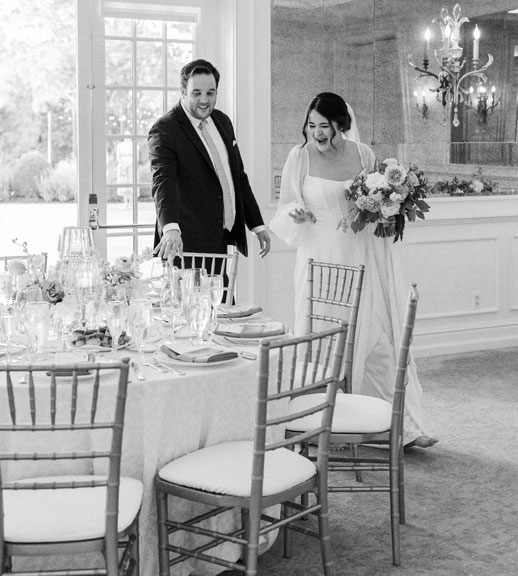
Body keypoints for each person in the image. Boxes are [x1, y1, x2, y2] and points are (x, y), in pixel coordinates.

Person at [269, 92, 437, 448]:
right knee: (320, 338)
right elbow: (284, 208)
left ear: (340, 124)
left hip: (360, 255)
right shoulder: (299, 156)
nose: (317, 132)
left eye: (324, 125)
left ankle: (402, 427)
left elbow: (379, 205)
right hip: (318, 258)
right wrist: (296, 214)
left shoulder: (363, 154)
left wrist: (391, 207)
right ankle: (315, 425)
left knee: (374, 337)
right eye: (311, 125)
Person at [147, 58, 271, 263]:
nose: (204, 100)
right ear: (183, 91)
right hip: (184, 243)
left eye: (210, 93)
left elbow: (238, 176)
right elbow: (163, 181)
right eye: (196, 93)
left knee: (221, 286)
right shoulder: (165, 129)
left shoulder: (223, 121)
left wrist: (257, 225)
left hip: (220, 237)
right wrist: (169, 228)